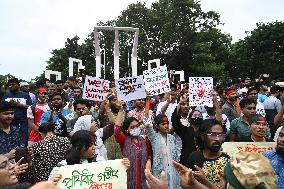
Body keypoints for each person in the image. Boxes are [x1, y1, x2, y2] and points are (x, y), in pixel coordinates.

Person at [49, 130, 130, 184]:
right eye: (90, 145)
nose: (94, 147)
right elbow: (51, 184)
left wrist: (122, 166)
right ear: (78, 147)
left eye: (94, 144)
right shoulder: (62, 167)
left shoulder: (99, 160)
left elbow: (111, 177)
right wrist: (52, 181)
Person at [144, 96, 181, 189]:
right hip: (160, 173)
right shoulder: (154, 137)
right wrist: (148, 101)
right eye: (163, 124)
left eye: (167, 123)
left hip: (174, 173)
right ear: (157, 126)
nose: (166, 126)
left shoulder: (172, 138)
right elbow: (148, 123)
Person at [187, 119, 230, 188]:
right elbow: (185, 183)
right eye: (212, 134)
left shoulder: (228, 161)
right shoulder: (194, 157)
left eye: (220, 135)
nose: (217, 139)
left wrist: (204, 180)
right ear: (202, 136)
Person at [114, 116, 152, 189]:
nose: (136, 128)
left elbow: (149, 153)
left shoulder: (144, 140)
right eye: (132, 127)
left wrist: (149, 161)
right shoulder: (124, 140)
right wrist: (120, 111)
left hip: (143, 178)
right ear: (127, 130)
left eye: (137, 126)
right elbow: (117, 131)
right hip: (129, 178)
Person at [2, 78, 32, 146]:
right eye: (9, 85)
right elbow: (2, 107)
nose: (11, 86)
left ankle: (22, 152)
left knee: (23, 138)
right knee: (10, 138)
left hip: (23, 121)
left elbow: (30, 107)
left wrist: (19, 105)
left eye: (13, 84)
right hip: (9, 121)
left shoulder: (25, 95)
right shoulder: (6, 95)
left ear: (18, 85)